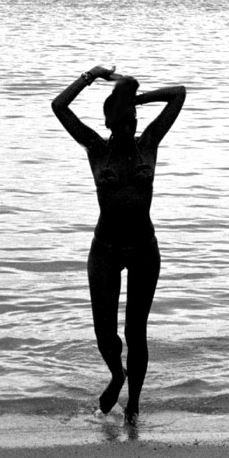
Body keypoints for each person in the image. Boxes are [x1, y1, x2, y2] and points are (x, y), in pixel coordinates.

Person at [52, 65, 186, 425]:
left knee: (135, 331)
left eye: (133, 120)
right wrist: (90, 76)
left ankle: (134, 406)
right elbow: (59, 107)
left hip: (143, 248)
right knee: (105, 333)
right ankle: (116, 375)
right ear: (111, 123)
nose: (131, 128)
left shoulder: (149, 145)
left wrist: (133, 97)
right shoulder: (96, 149)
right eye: (124, 121)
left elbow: (179, 93)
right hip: (105, 250)